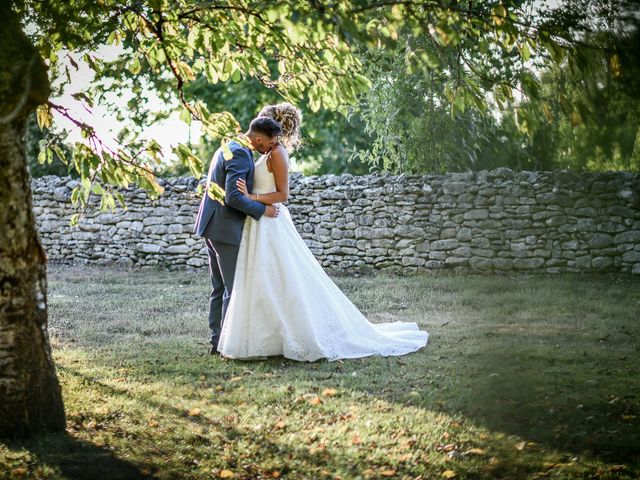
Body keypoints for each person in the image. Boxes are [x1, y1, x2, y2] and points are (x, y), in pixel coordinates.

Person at [216, 102, 429, 361]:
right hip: (258, 225)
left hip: (270, 222)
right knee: (263, 281)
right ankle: (265, 339)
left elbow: (283, 195)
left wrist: (252, 196)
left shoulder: (277, 153)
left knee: (280, 281)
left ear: (272, 127)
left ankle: (288, 336)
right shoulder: (264, 150)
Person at [193, 116, 282, 354]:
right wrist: (263, 209)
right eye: (268, 145)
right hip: (225, 228)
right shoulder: (242, 153)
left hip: (211, 226)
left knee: (219, 288)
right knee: (234, 289)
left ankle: (217, 342)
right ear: (259, 138)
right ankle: (226, 346)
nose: (268, 150)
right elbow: (232, 197)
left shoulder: (229, 145)